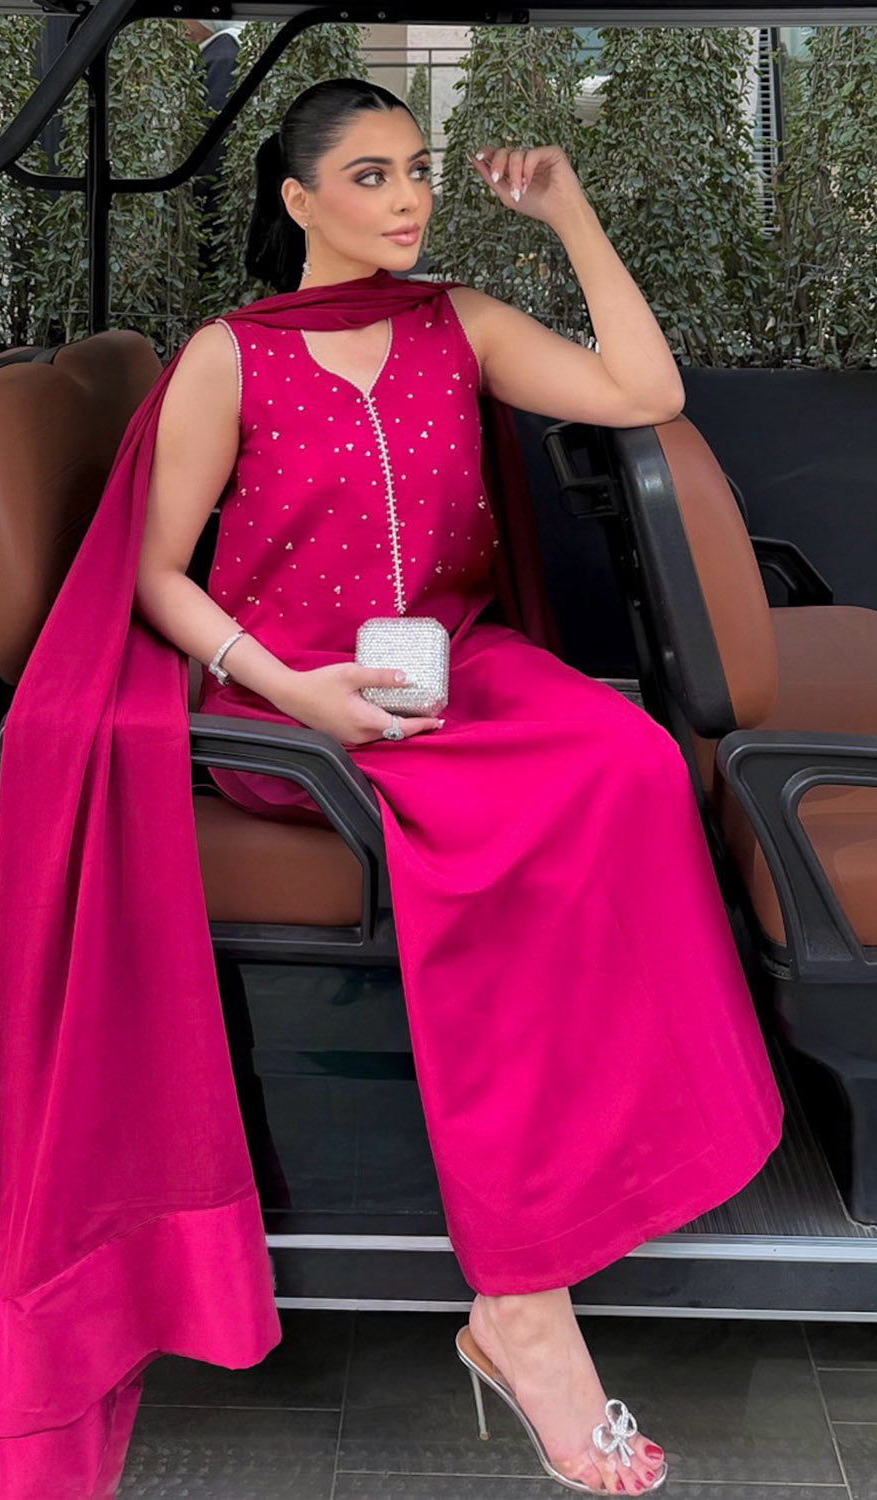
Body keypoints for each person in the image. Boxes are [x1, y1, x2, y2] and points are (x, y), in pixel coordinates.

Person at [132, 78, 784, 1496]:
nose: (409, 197)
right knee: (500, 844)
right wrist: (290, 689)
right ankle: (524, 1307)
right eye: (370, 175)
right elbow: (156, 575)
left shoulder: (459, 323)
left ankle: (604, 1194)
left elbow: (647, 393)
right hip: (293, 697)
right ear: (298, 200)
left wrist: (569, 216)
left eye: (417, 168)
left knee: (634, 763)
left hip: (451, 663)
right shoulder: (227, 358)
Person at [182, 18, 240, 269]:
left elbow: (212, 137)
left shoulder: (223, 56)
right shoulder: (216, 50)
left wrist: (193, 192)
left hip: (210, 196)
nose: (180, 24)